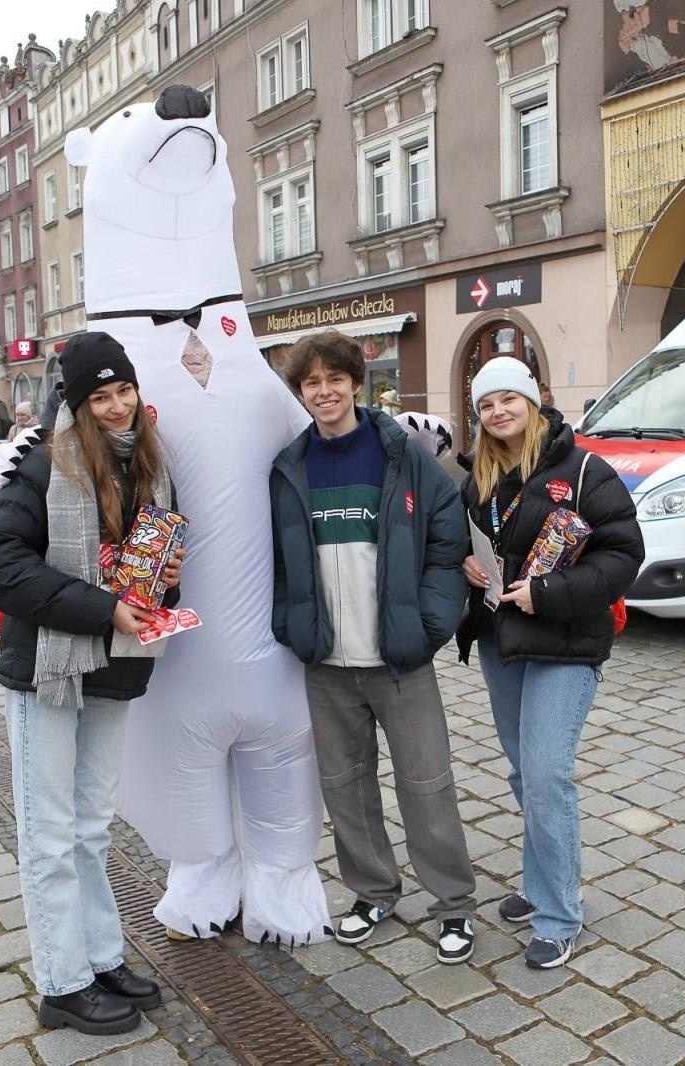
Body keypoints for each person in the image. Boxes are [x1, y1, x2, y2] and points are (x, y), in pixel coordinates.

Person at [0, 332, 178, 1036]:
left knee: (92, 829)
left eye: (124, 391)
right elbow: (0, 566)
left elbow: (137, 556)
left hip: (115, 664)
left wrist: (161, 581)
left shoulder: (149, 465)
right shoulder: (41, 467)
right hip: (47, 672)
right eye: (103, 396)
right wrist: (103, 607)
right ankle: (62, 983)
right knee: (50, 833)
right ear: (78, 403)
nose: (119, 407)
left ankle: (100, 958)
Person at [269, 331, 477, 962]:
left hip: (398, 658)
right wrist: (292, 625)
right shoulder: (290, 467)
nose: (324, 392)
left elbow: (448, 546)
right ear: (300, 393)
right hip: (326, 663)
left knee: (427, 783)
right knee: (345, 784)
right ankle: (373, 890)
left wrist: (430, 626)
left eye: (335, 379)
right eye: (311, 383)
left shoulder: (403, 457)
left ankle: (455, 905)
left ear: (356, 383)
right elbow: (275, 561)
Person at [456, 357, 643, 969]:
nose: (497, 411)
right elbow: (465, 540)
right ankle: (538, 883)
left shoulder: (584, 468)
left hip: (566, 638)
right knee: (521, 772)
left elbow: (623, 554)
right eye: (486, 404)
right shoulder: (480, 477)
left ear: (533, 401)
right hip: (501, 638)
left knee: (545, 773)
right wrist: (466, 562)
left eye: (508, 398)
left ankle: (560, 914)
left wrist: (549, 593)